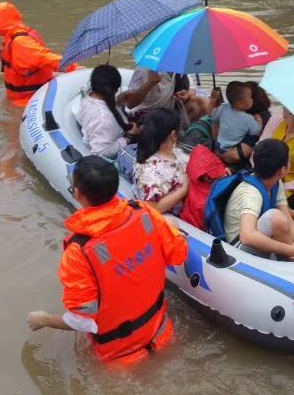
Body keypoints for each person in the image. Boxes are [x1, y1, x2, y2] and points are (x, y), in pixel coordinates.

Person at [26, 156, 188, 364]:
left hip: (120, 359)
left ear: (77, 193)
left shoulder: (79, 251)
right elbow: (178, 253)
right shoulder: (144, 212)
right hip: (163, 333)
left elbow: (82, 322)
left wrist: (43, 320)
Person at [210, 139, 294, 260]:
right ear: (282, 170)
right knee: (276, 218)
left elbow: (287, 216)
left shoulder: (276, 183)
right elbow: (247, 236)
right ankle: (291, 264)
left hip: (265, 239)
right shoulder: (250, 192)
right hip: (238, 250)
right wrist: (289, 249)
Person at [0, 2, 68, 106]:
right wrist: (4, 55)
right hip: (31, 96)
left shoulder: (20, 42)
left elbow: (45, 57)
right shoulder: (19, 35)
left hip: (28, 102)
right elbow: (25, 62)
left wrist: (74, 67)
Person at [133, 109, 189, 215]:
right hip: (168, 218)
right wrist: (184, 189)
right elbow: (152, 208)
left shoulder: (170, 151)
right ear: (173, 134)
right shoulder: (152, 170)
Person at [76, 65, 137, 158]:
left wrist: (119, 103)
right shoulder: (103, 118)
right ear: (115, 89)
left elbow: (108, 107)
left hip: (107, 133)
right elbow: (101, 152)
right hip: (116, 148)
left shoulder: (89, 98)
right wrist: (128, 137)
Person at [212, 82, 262, 165]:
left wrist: (214, 101)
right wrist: (259, 121)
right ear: (240, 104)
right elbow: (256, 132)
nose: (252, 100)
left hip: (218, 146)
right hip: (232, 149)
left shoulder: (223, 107)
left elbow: (213, 116)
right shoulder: (248, 119)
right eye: (250, 98)